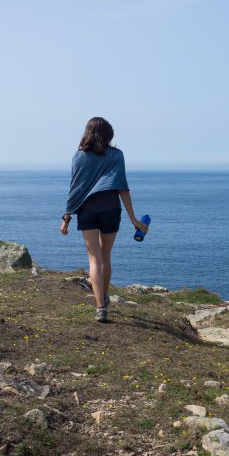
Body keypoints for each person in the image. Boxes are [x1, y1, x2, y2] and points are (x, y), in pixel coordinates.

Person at [60, 117, 147, 323]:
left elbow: (75, 189)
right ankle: (104, 299)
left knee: (94, 260)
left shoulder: (79, 156)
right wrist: (133, 219)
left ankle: (100, 307)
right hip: (110, 210)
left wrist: (67, 218)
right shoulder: (117, 155)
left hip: (87, 211)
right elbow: (122, 188)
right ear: (108, 134)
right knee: (105, 256)